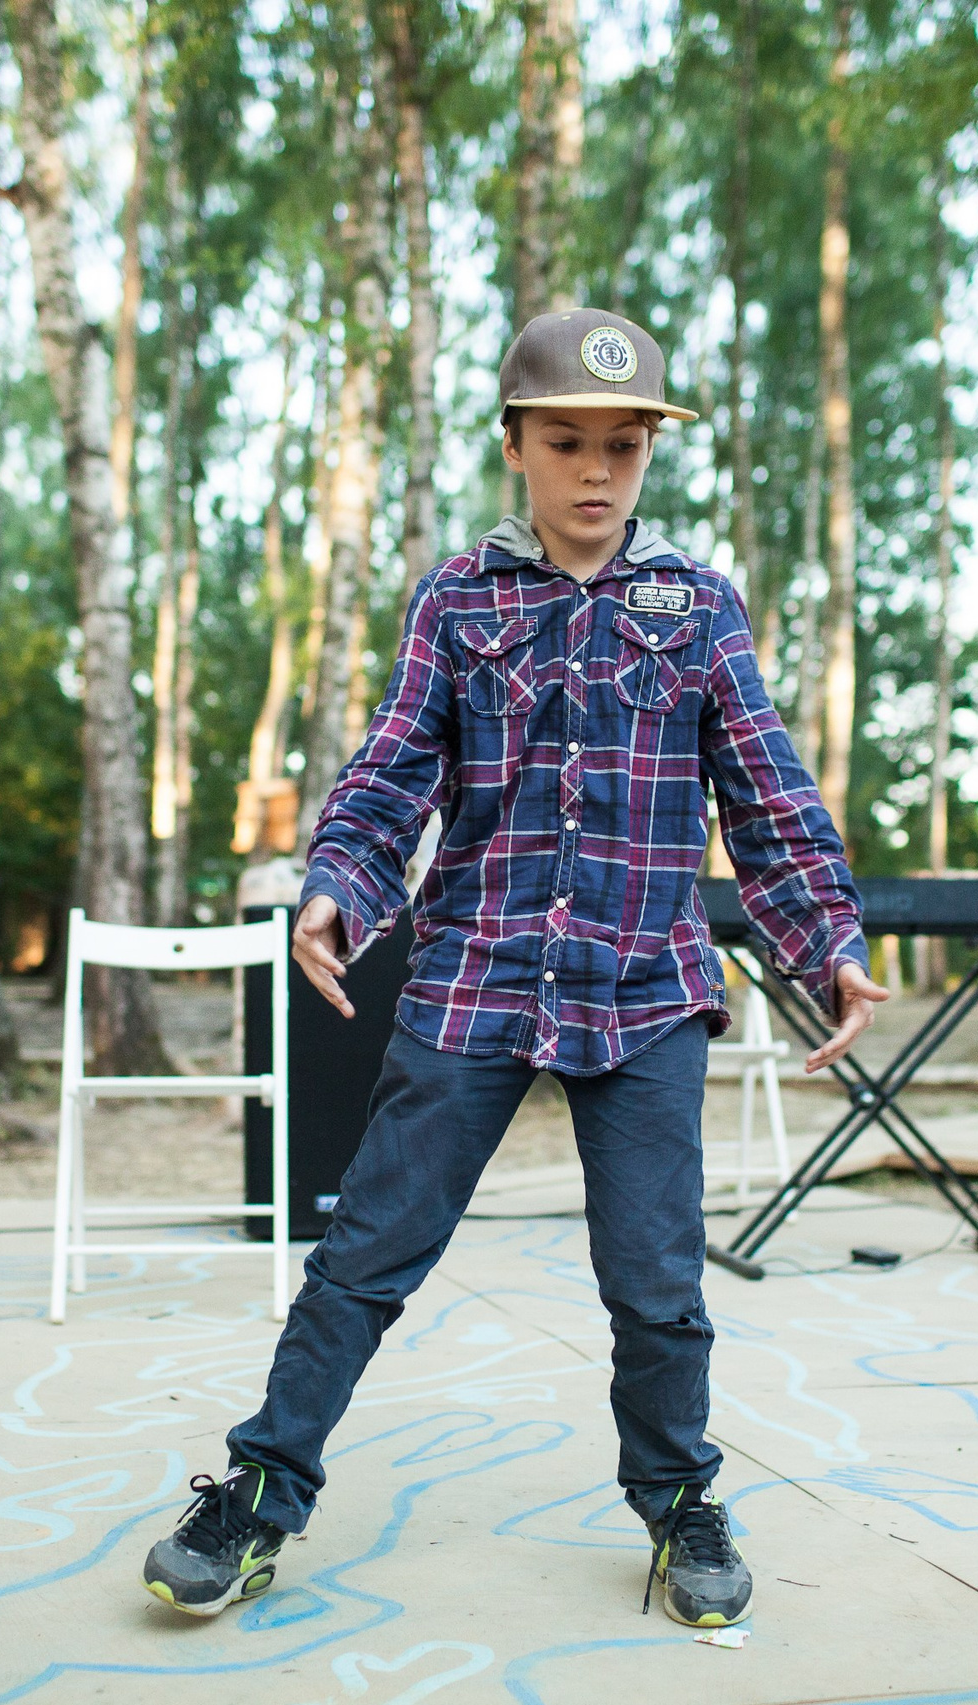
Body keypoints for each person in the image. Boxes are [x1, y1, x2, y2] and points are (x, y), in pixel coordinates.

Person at [138, 307, 887, 1629]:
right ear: (518, 447)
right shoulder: (459, 598)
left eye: (624, 444)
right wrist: (338, 884)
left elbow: (766, 794)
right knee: (365, 1252)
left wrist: (827, 935)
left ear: (650, 449)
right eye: (568, 441)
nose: (597, 470)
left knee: (657, 1279)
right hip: (476, 971)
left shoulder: (698, 608)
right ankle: (258, 1486)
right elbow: (393, 769)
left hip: (647, 984)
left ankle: (680, 1498)